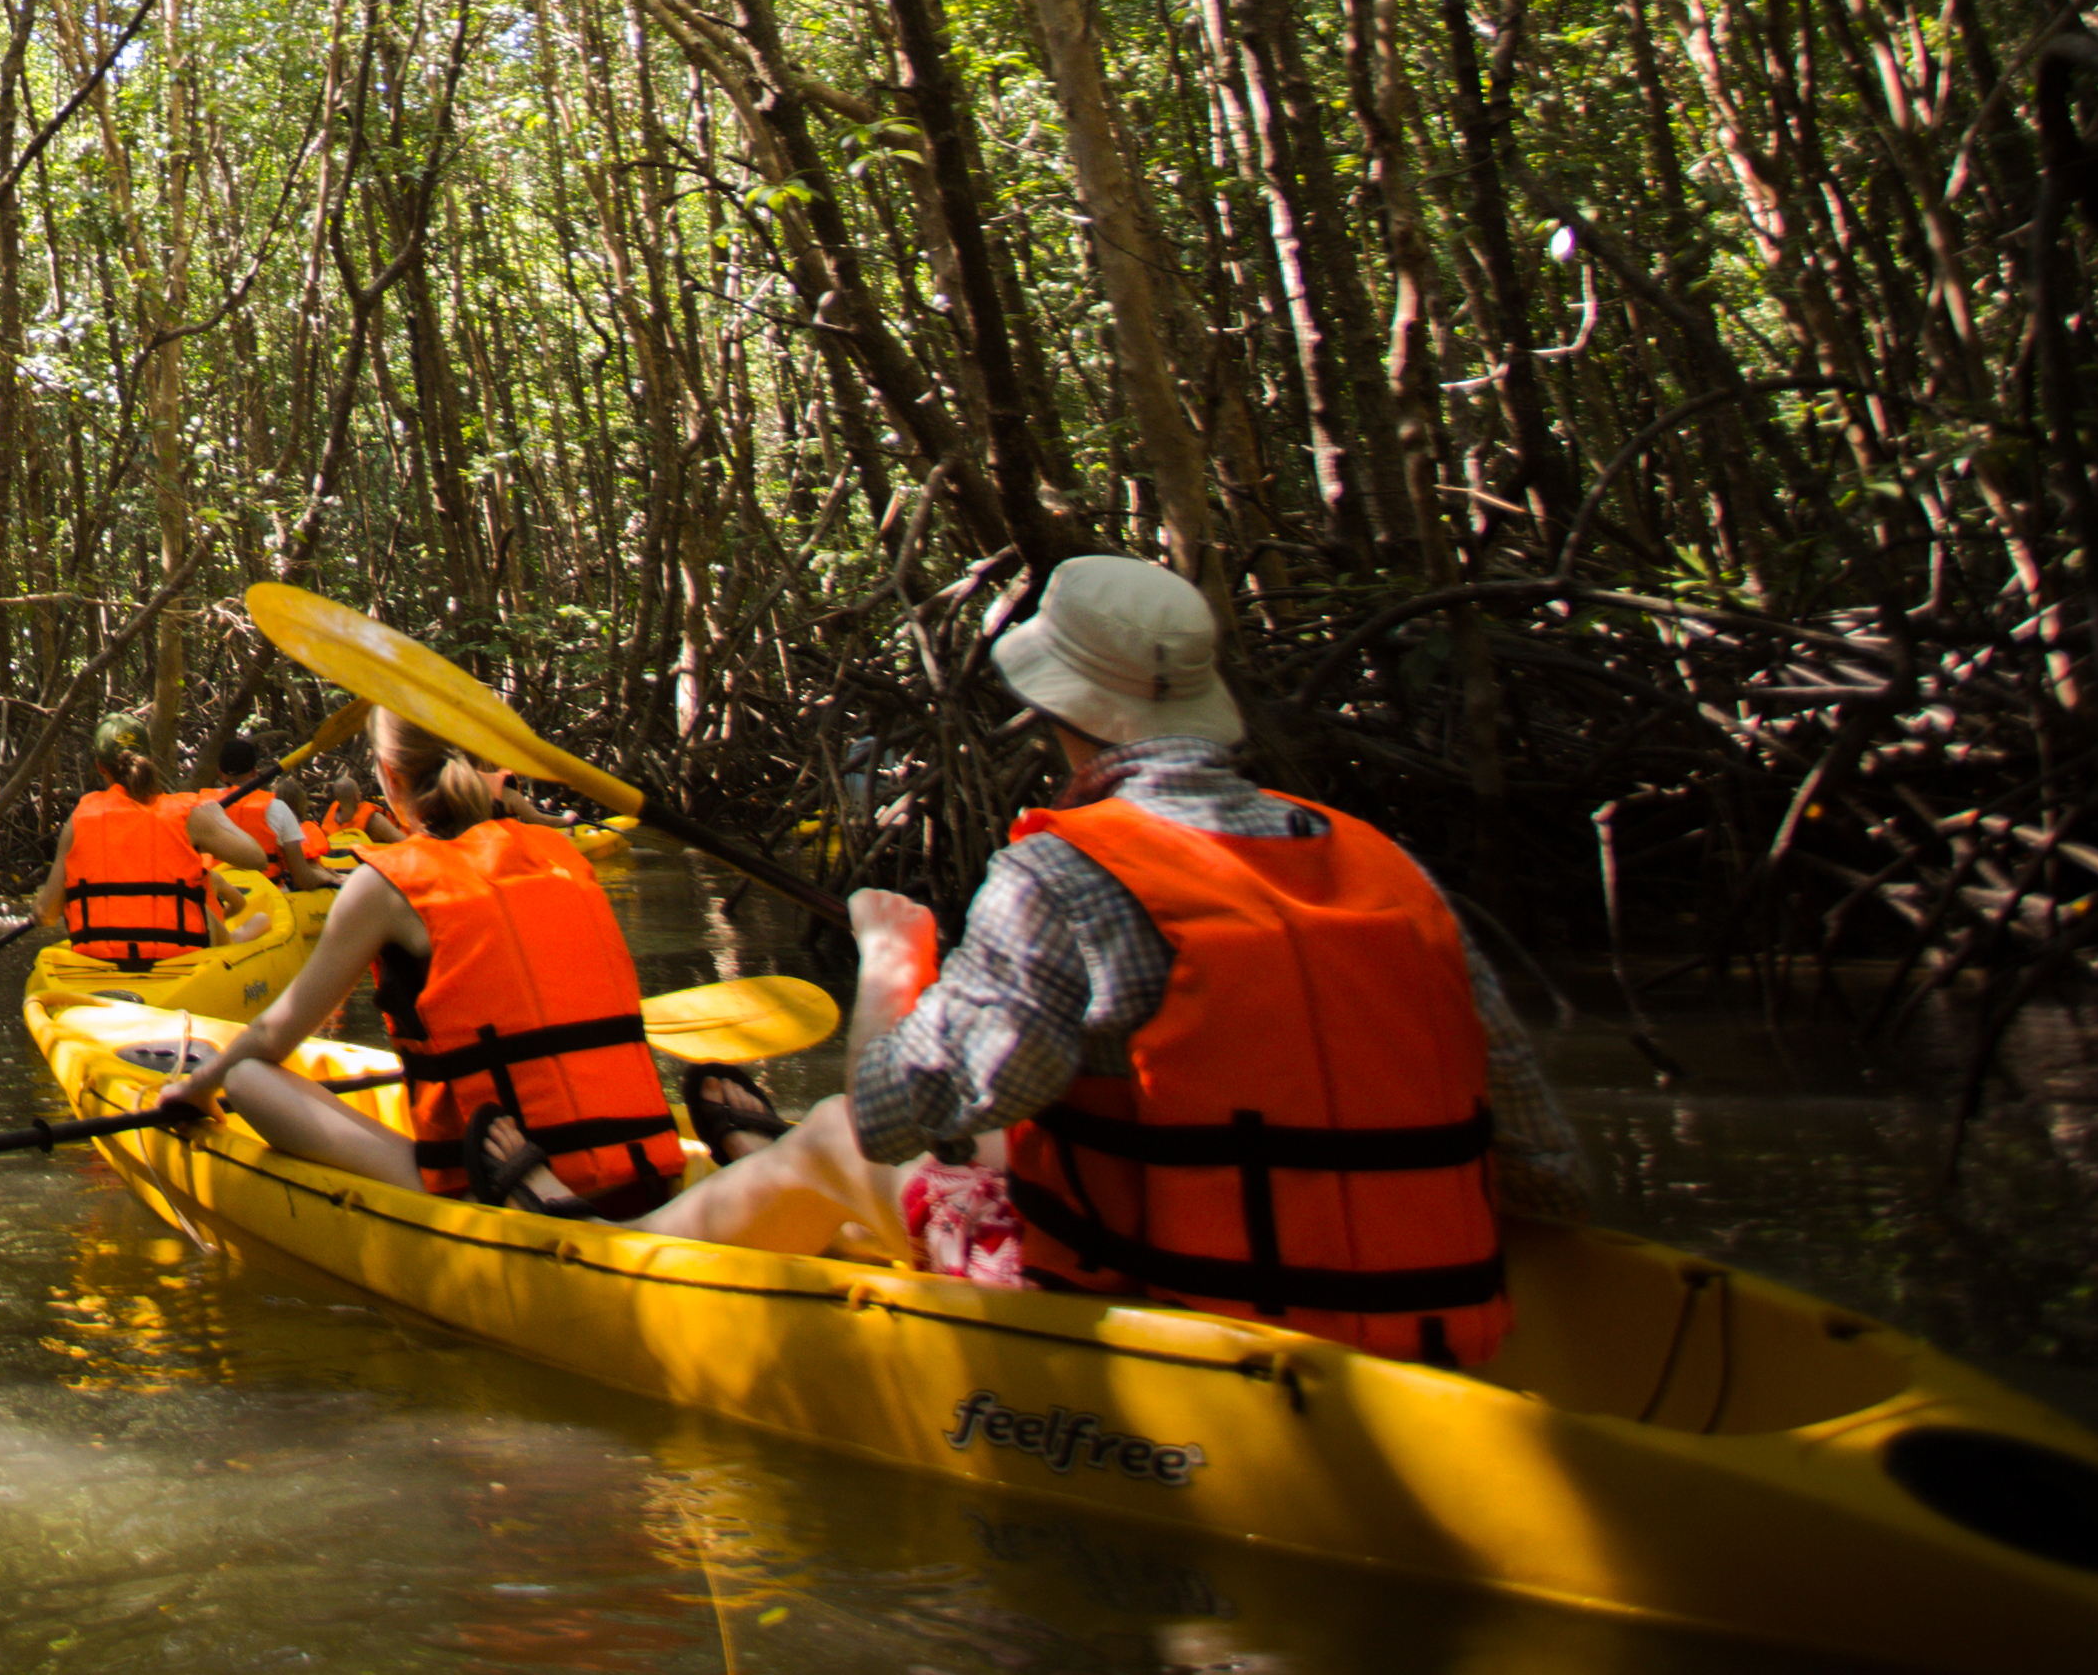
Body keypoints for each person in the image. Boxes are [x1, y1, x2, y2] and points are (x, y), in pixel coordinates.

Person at [656, 554, 1574, 1370]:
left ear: (1054, 707)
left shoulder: (1064, 876)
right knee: (999, 1132)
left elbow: (888, 1119)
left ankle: (605, 1252)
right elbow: (1546, 1170)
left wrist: (893, 960)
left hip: (1182, 1331)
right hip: (1436, 1323)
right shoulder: (1385, 863)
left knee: (825, 1133)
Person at [147, 704, 708, 1218]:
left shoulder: (384, 885)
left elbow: (271, 1037)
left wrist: (197, 1089)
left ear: (389, 777)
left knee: (245, 1076)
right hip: (640, 1164)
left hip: (490, 1177)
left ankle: (511, 1193)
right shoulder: (561, 855)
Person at [54, 706, 282, 970]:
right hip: (178, 957)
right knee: (212, 916)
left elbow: (46, 913)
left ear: (99, 766)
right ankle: (240, 937)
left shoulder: (80, 819)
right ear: (150, 758)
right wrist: (218, 816)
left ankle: (238, 936)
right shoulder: (187, 814)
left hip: (101, 957)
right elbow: (257, 859)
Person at [209, 726, 327, 887]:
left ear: (220, 774)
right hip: (267, 898)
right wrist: (327, 879)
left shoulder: (200, 806)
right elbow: (303, 879)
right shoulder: (277, 808)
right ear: (255, 772)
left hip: (215, 898)